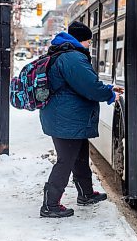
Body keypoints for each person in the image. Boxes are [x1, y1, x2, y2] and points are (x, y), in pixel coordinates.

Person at [39, 22, 123, 218]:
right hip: (67, 119)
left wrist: (109, 89)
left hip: (67, 117)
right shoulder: (73, 58)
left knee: (80, 157)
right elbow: (89, 87)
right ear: (80, 40)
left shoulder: (64, 54)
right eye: (88, 40)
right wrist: (110, 95)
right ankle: (50, 204)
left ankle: (85, 193)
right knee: (65, 161)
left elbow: (77, 85)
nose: (89, 44)